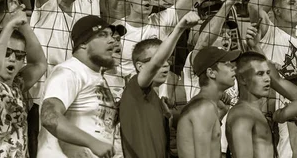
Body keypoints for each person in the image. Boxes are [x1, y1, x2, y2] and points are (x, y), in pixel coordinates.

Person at [38, 15, 126, 157]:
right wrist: (92, 142)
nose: (112, 40)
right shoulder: (69, 71)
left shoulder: (97, 77)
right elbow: (49, 117)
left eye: (111, 35)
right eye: (103, 35)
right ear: (83, 43)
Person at [120, 10, 200, 158]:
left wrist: (167, 118)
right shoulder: (134, 88)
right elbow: (156, 62)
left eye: (167, 61)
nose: (164, 65)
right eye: (159, 61)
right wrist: (180, 28)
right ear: (140, 66)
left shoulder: (158, 101)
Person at [0, 2, 46, 157]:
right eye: (7, 52)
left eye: (19, 55)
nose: (13, 58)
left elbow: (39, 63)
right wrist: (9, 27)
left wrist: (24, 24)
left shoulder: (17, 85)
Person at [177, 46, 240, 158]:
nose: (233, 67)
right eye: (226, 63)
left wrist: (220, 116)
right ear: (211, 73)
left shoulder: (206, 105)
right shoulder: (204, 107)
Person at [225, 51, 274, 158]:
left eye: (268, 73)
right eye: (260, 74)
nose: (267, 79)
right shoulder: (242, 115)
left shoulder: (252, 111)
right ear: (243, 79)